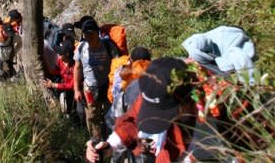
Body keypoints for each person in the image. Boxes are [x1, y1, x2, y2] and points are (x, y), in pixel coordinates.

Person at [86, 57, 229, 163]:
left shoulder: (225, 108)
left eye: (165, 114)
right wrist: (109, 146)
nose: (158, 118)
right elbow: (135, 119)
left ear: (186, 101)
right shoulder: (157, 90)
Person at [74, 18, 114, 139]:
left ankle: (110, 144)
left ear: (97, 32)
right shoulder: (81, 47)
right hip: (89, 90)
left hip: (107, 88)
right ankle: (96, 144)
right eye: (86, 33)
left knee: (110, 117)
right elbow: (77, 68)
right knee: (92, 117)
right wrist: (76, 89)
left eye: (91, 33)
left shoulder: (107, 45)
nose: (89, 36)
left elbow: (118, 65)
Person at [43, 42, 76, 115]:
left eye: (61, 54)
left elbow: (71, 85)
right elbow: (56, 71)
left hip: (73, 92)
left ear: (67, 54)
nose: (58, 55)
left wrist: (53, 85)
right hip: (63, 87)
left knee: (71, 110)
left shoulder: (75, 66)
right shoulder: (60, 61)